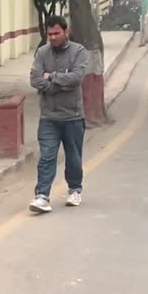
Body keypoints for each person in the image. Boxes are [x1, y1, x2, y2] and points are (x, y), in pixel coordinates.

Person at [28, 15, 88, 214]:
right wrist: (58, 86)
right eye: (50, 34)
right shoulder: (42, 53)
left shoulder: (78, 51)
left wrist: (52, 77)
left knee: (73, 157)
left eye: (56, 33)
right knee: (46, 156)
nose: (52, 37)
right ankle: (42, 196)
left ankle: (74, 190)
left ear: (65, 32)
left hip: (73, 116)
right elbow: (35, 80)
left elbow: (76, 78)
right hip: (49, 117)